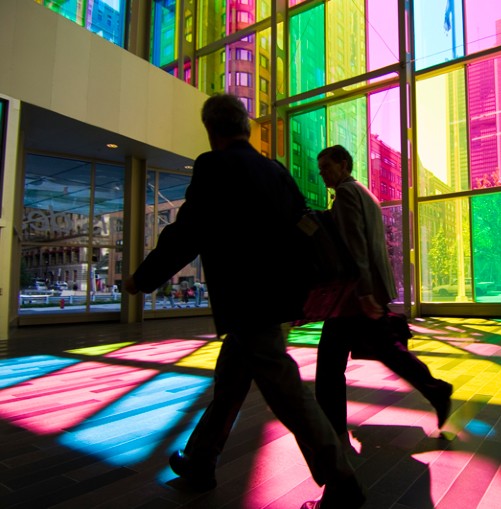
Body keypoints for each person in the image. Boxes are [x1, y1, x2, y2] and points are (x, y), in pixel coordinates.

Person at [123, 94, 364, 509]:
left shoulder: (213, 165)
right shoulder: (275, 170)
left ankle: (342, 479)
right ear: (246, 127)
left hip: (246, 300)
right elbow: (299, 227)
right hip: (278, 297)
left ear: (212, 130)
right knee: (231, 379)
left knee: (286, 390)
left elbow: (186, 233)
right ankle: (201, 461)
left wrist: (142, 279)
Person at [314, 144, 453, 442]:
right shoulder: (366, 193)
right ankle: (436, 390)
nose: (322, 173)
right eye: (320, 169)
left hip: (355, 295)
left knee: (329, 364)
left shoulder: (348, 194)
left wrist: (364, 292)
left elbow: (356, 248)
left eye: (326, 167)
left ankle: (332, 428)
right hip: (368, 290)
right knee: (386, 350)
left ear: (343, 164)